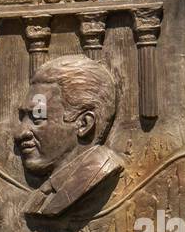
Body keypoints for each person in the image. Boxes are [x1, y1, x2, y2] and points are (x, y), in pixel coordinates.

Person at [14, 54, 124, 220]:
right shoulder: (47, 191)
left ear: (84, 124)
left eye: (37, 118)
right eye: (23, 117)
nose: (20, 133)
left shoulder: (96, 176)